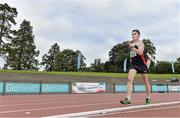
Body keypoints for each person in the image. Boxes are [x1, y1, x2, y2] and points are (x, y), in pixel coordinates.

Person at [120, 29, 151, 105]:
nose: (133, 35)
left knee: (146, 82)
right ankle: (128, 99)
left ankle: (148, 97)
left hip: (141, 64)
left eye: (135, 34)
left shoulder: (141, 43)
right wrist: (131, 61)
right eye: (132, 34)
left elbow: (140, 52)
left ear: (138, 35)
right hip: (134, 64)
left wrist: (132, 47)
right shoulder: (131, 43)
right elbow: (132, 54)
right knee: (129, 79)